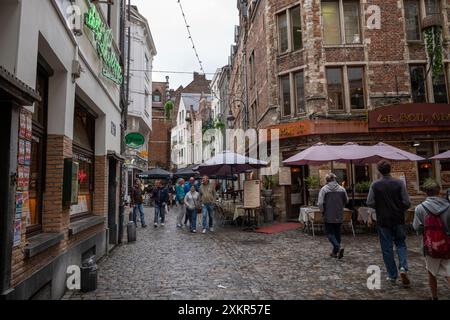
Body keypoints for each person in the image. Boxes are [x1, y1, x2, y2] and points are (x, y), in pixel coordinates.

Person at [367, 160, 411, 287]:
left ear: (379, 171)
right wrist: (399, 208)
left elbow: (369, 202)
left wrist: (380, 207)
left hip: (383, 220)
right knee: (401, 243)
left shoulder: (375, 185)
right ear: (390, 169)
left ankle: (392, 276)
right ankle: (403, 267)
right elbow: (407, 202)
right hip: (398, 218)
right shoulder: (399, 183)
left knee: (386, 248)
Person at [413, 179, 450, 300]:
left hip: (429, 245)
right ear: (439, 192)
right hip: (447, 244)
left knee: (431, 272)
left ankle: (434, 297)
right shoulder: (448, 206)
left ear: (425, 193)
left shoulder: (419, 208)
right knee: (449, 272)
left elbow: (417, 227)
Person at [318, 173, 348, 259]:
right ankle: (335, 252)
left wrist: (322, 211)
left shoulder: (324, 190)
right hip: (339, 213)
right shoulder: (342, 189)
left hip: (328, 213)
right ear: (335, 179)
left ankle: (338, 247)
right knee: (337, 233)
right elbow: (346, 200)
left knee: (329, 233)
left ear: (327, 180)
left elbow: (320, 203)